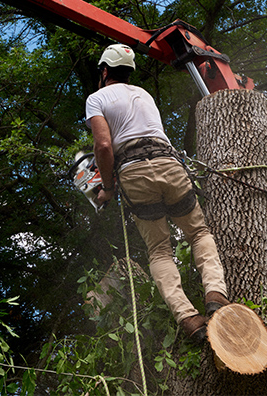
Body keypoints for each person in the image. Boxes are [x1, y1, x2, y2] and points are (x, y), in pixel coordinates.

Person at [85, 43, 229, 342]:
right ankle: (216, 295)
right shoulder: (144, 94)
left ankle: (188, 319)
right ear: (129, 71)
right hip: (168, 163)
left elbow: (103, 146)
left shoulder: (96, 98)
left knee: (160, 250)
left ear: (104, 70)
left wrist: (108, 189)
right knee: (199, 233)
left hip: (133, 172)